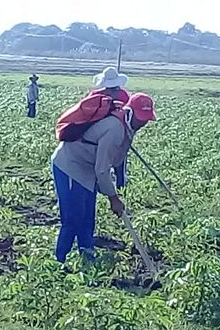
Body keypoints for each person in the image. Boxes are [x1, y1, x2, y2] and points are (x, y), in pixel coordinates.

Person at [51, 93, 157, 263]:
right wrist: (113, 198)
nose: (143, 123)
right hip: (70, 166)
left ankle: (87, 257)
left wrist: (111, 189)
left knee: (87, 217)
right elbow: (102, 169)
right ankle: (60, 261)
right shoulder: (115, 129)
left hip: (87, 170)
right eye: (140, 118)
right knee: (72, 218)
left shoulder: (127, 126)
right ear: (130, 111)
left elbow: (111, 163)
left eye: (146, 119)